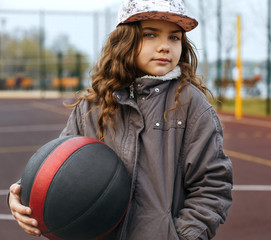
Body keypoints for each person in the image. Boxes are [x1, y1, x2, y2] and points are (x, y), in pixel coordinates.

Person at [8, 0, 233, 239]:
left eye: (174, 38)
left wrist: (184, 236)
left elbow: (212, 185)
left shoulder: (191, 106)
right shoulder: (92, 106)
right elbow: (61, 164)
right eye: (150, 34)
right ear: (125, 39)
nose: (165, 46)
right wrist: (24, 194)